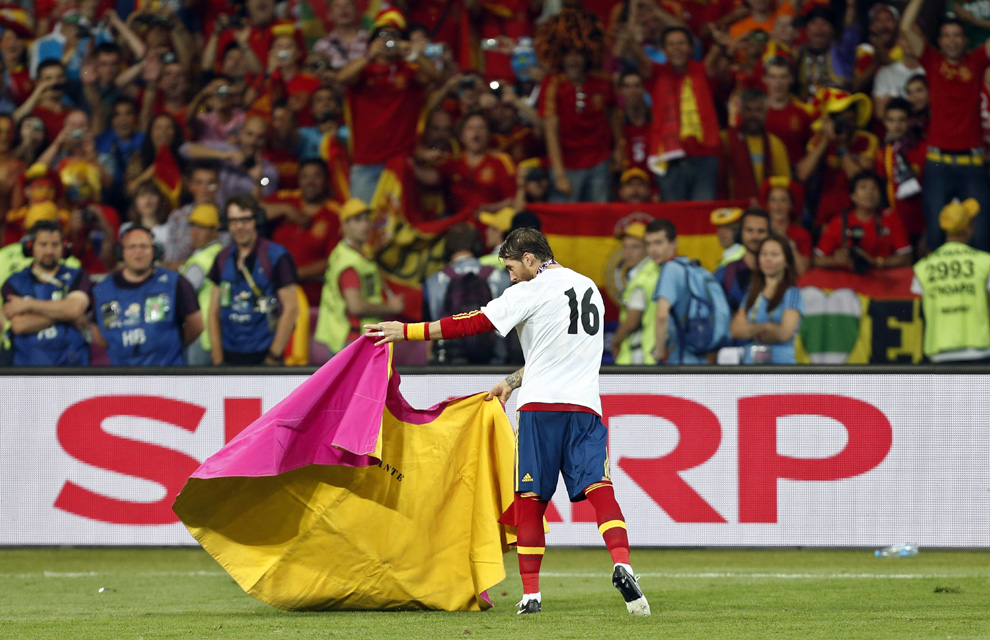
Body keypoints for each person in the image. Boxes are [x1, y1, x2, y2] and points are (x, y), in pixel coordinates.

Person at [364, 227, 650, 617]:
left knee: (530, 501)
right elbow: (554, 353)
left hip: (539, 412)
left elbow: (472, 323)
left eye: (512, 267)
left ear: (530, 260)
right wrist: (512, 380)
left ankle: (531, 595)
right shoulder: (588, 289)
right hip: (585, 408)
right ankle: (622, 563)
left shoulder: (528, 291)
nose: (509, 276)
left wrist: (407, 331)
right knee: (601, 490)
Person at [902, 0, 990, 252]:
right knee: (936, 237)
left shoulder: (976, 61)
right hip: (937, 162)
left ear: (965, 40)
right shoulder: (931, 61)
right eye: (946, 36)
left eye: (957, 36)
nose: (952, 41)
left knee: (982, 236)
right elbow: (906, 27)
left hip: (973, 163)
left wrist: (976, 21)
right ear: (939, 41)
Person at [207, 194, 300, 366]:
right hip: (228, 357)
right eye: (233, 221)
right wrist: (218, 358)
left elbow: (292, 308)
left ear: (257, 219)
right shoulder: (222, 258)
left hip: (265, 355)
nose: (239, 226)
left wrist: (272, 357)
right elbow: (213, 311)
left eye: (245, 220)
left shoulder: (276, 256)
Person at [90, 225, 202, 366]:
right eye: (132, 247)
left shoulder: (175, 282)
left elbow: (197, 324)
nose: (138, 252)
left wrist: (171, 347)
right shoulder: (105, 290)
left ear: (154, 251)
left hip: (167, 376)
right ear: (121, 252)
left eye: (144, 246)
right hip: (123, 378)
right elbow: (97, 332)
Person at [314, 198, 404, 355]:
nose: (364, 225)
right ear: (344, 225)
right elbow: (355, 306)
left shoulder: (350, 253)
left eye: (366, 219)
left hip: (354, 338)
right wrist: (390, 307)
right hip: (353, 339)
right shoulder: (349, 261)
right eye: (357, 220)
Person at [1, 219, 90, 366]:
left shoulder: (78, 275)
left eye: (55, 245)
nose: (49, 251)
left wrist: (28, 305)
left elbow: (74, 308)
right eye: (43, 244)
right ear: (30, 247)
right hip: (27, 371)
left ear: (64, 247)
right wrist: (66, 315)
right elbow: (19, 325)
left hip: (73, 369)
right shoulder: (13, 282)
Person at [912, 198, 990, 363]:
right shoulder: (985, 262)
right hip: (979, 350)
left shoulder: (924, 266)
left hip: (939, 352)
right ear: (968, 228)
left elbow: (920, 314)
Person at [423, 222, 511, 365]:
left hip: (448, 364)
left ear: (447, 249)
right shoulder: (503, 278)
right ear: (477, 246)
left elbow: (427, 332)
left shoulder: (432, 282)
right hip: (495, 363)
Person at [813, 170, 913, 272]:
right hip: (849, 280)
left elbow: (907, 258)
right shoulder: (839, 222)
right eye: (863, 187)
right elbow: (817, 259)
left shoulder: (890, 217)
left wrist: (874, 261)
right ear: (853, 196)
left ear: (880, 196)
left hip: (883, 279)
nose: (869, 192)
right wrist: (834, 260)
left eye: (874, 188)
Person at [729, 233, 804, 364]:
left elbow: (784, 333)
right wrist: (767, 327)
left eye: (774, 255)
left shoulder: (793, 293)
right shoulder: (752, 292)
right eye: (764, 254)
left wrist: (750, 330)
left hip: (781, 370)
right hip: (751, 368)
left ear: (786, 261)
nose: (768, 259)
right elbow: (735, 330)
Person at [651, 218, 712, 364]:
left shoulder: (670, 269)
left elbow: (661, 315)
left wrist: (659, 352)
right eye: (649, 243)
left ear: (673, 243)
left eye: (658, 242)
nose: (652, 249)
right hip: (698, 357)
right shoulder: (686, 265)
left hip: (680, 360)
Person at [720, 88, 791, 200]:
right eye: (748, 110)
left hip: (765, 211)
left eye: (758, 110)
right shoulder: (725, 139)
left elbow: (784, 185)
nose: (753, 115)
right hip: (731, 210)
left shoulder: (776, 145)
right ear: (741, 111)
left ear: (766, 113)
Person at [874, 98, 927, 245]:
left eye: (901, 120)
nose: (896, 126)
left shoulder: (923, 148)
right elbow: (881, 184)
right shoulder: (884, 150)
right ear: (884, 122)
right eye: (891, 120)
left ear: (910, 121)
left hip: (921, 223)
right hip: (895, 223)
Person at [611, 220, 660, 365]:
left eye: (635, 247)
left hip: (640, 357)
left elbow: (632, 321)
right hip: (652, 354)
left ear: (647, 248)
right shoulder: (656, 272)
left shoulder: (642, 279)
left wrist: (615, 342)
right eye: (625, 247)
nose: (628, 253)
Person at [180, 204, 224, 367]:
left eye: (202, 228)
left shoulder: (202, 261)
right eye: (193, 227)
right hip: (217, 333)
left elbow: (183, 295)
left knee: (197, 388)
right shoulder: (222, 253)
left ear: (214, 231)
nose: (194, 233)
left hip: (200, 335)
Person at [715, 208, 770, 313]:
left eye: (761, 231)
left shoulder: (780, 273)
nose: (755, 236)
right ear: (739, 233)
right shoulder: (724, 273)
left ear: (770, 234)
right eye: (749, 230)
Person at [761, 177, 811, 275]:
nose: (778, 205)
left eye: (783, 200)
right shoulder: (759, 230)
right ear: (767, 205)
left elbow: (802, 271)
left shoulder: (802, 234)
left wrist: (788, 243)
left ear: (791, 205)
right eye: (773, 200)